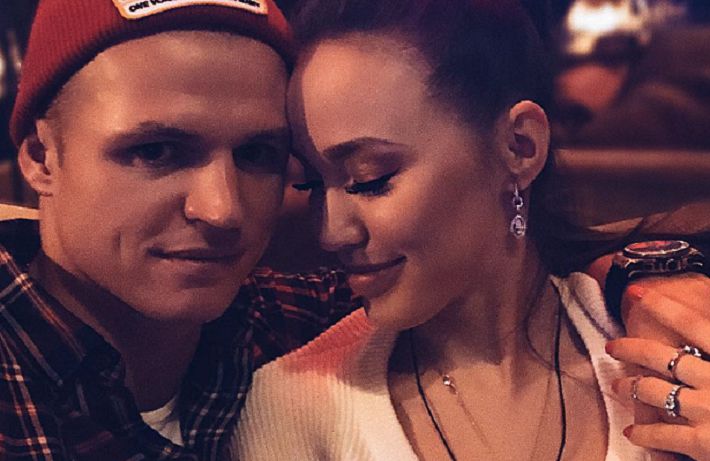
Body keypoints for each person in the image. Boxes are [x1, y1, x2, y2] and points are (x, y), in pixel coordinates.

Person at [234, 0, 710, 460]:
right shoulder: (293, 407)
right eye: (314, 184)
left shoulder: (667, 336)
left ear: (519, 146)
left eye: (370, 178)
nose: (331, 232)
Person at [0, 1, 358, 459]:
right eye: (156, 151)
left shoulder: (300, 325)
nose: (222, 210)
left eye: (256, 154)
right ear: (41, 158)